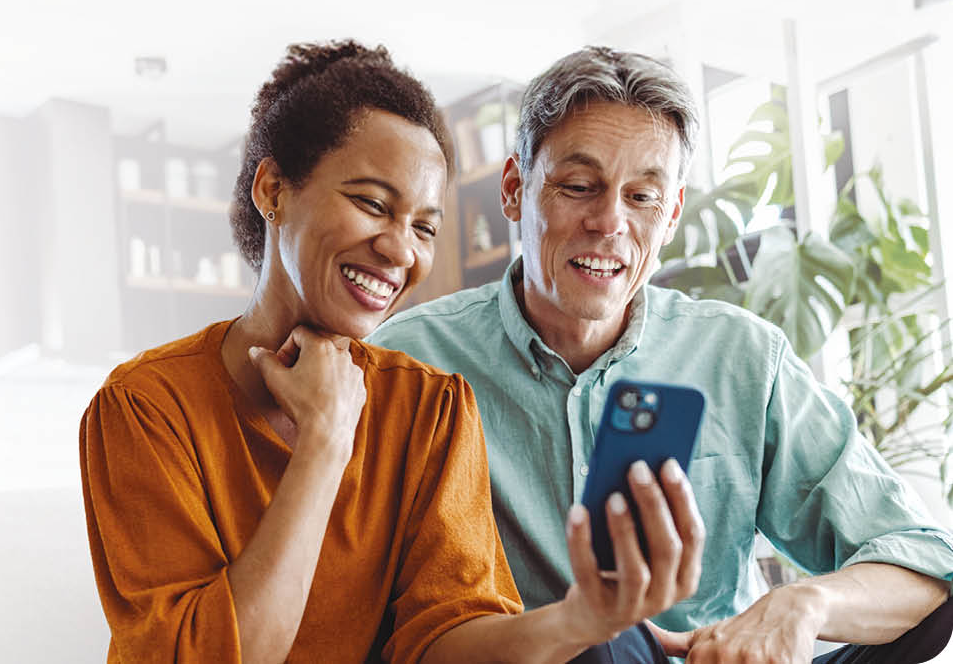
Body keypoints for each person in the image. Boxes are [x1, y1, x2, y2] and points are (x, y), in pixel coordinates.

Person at [79, 40, 706, 664]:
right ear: (272, 190)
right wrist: (324, 444)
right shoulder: (145, 407)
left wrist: (580, 621)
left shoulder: (430, 405)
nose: (401, 250)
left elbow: (445, 640)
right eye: (372, 204)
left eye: (424, 227)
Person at [370, 45, 953, 663]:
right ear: (514, 189)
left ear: (672, 213)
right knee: (601, 648)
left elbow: (924, 560)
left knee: (927, 616)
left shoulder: (743, 357)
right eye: (578, 186)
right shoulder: (411, 362)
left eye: (642, 197)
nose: (609, 222)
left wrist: (803, 605)